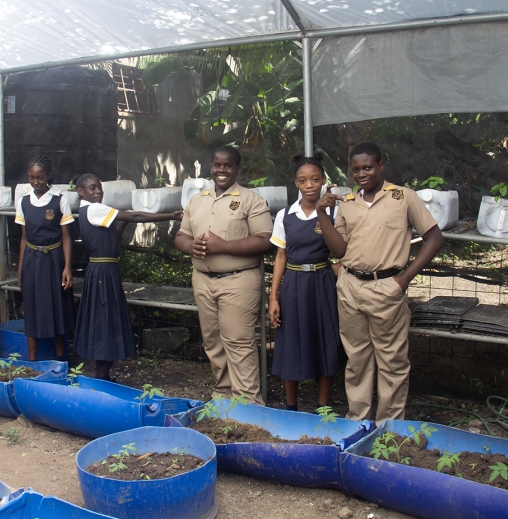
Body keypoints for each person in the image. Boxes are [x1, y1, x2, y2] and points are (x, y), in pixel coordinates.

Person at [316, 142, 443, 424]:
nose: (362, 174)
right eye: (356, 169)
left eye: (368, 167)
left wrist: (404, 279)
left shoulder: (403, 197)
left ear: (381, 166)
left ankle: (389, 427)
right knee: (357, 359)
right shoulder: (347, 203)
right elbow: (338, 250)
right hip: (350, 288)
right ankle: (357, 420)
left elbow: (434, 238)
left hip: (387, 288)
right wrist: (322, 213)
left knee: (392, 361)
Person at [175, 146, 273, 405]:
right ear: (211, 167)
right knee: (213, 343)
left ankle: (249, 406)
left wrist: (223, 246)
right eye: (217, 165)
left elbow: (266, 241)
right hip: (203, 280)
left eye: (228, 165)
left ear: (237, 169)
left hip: (238, 280)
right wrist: (190, 246)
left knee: (238, 343)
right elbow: (181, 235)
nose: (222, 170)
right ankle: (222, 398)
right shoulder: (197, 200)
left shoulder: (251, 199)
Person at [74, 174, 182, 381]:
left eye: (99, 188)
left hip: (102, 270)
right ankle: (101, 375)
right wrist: (171, 215)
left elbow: (112, 239)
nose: (98, 192)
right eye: (92, 188)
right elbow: (135, 218)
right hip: (103, 273)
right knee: (106, 321)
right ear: (81, 192)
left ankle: (102, 372)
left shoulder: (89, 210)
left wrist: (121, 222)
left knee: (103, 320)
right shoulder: (95, 209)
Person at [268, 154, 344, 411]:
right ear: (296, 183)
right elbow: (281, 255)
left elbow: (351, 246)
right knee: (291, 340)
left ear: (323, 180)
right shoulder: (285, 215)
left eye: (315, 179)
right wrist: (273, 297)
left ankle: (323, 408)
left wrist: (338, 267)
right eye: (303, 180)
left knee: (326, 339)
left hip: (323, 283)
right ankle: (291, 407)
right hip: (294, 284)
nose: (310, 185)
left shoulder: (335, 211)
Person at [15, 154, 74, 362]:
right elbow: (23, 239)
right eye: (31, 177)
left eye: (40, 177)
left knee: (58, 307)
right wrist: (21, 270)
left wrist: (67, 267)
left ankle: (61, 361)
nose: (35, 182)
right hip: (32, 259)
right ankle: (31, 362)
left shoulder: (60, 201)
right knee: (32, 308)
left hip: (54, 259)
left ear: (48, 175)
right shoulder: (23, 202)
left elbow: (66, 236)